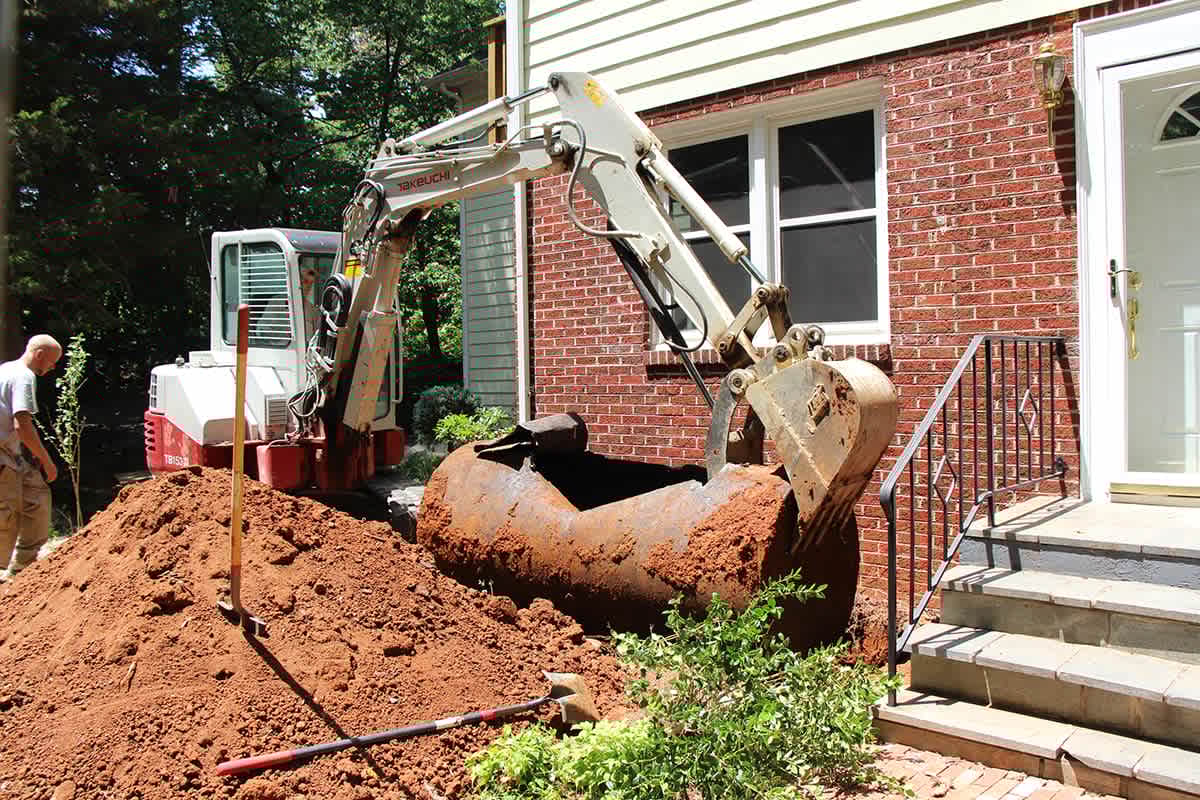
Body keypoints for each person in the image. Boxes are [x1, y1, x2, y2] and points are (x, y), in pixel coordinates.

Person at [0, 335, 62, 580]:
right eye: (52, 361)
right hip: (3, 455)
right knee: (6, 513)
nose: (53, 367)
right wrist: (46, 460)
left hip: (12, 454)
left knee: (37, 496)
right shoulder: (24, 377)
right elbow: (22, 425)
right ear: (39, 355)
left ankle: (24, 568)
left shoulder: (6, 369)